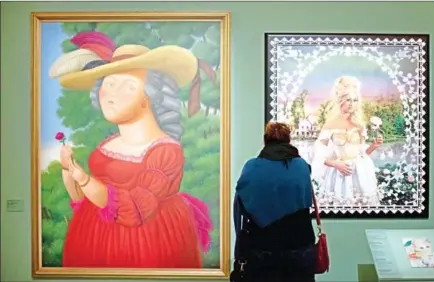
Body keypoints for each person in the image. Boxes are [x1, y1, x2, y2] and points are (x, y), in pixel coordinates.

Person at [49, 32, 214, 268]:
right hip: (91, 240)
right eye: (109, 84)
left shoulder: (165, 152)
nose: (111, 94)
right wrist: (69, 170)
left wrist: (83, 178)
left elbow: (134, 210)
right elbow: (82, 200)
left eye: (127, 85)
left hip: (148, 242)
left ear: (150, 97)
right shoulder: (106, 145)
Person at [232, 122, 316, 282]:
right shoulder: (302, 166)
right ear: (288, 140)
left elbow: (241, 205)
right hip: (300, 246)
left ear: (265, 140)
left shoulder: (252, 167)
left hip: (262, 249)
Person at [311, 75, 383, 206]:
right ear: (340, 101)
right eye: (348, 100)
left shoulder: (359, 124)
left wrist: (374, 145)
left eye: (355, 100)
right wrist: (336, 164)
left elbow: (362, 153)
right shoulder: (330, 124)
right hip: (339, 173)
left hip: (361, 172)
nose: (352, 104)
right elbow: (319, 157)